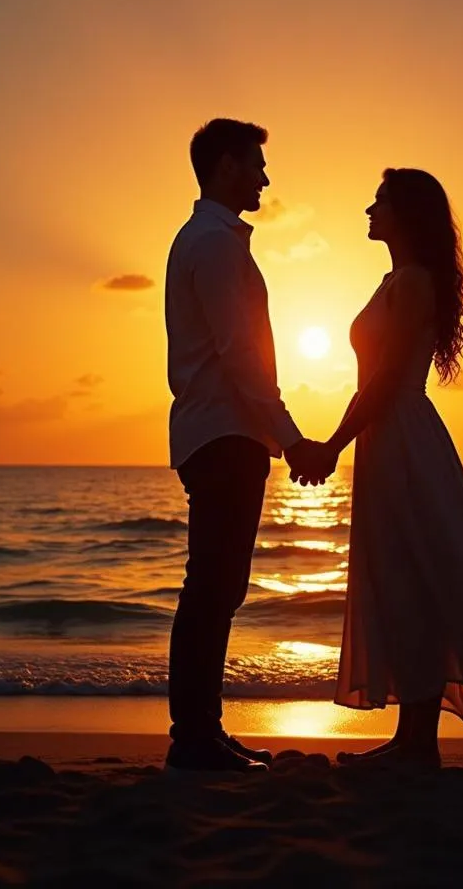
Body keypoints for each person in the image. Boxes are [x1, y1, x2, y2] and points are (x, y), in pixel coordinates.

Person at [289, 168, 463, 768]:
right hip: (387, 440)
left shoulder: (414, 283)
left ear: (404, 213)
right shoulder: (395, 280)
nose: (369, 209)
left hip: (401, 436)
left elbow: (383, 381)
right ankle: (412, 742)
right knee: (400, 580)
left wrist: (331, 445)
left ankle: (417, 744)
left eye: (379, 201)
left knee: (416, 579)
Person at [164, 118, 335, 774]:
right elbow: (241, 357)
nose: (265, 176)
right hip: (224, 431)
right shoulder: (215, 244)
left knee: (217, 584)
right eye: (257, 164)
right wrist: (290, 440)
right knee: (212, 585)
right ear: (228, 165)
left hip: (221, 430)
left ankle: (202, 731)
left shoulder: (211, 240)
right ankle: (195, 737)